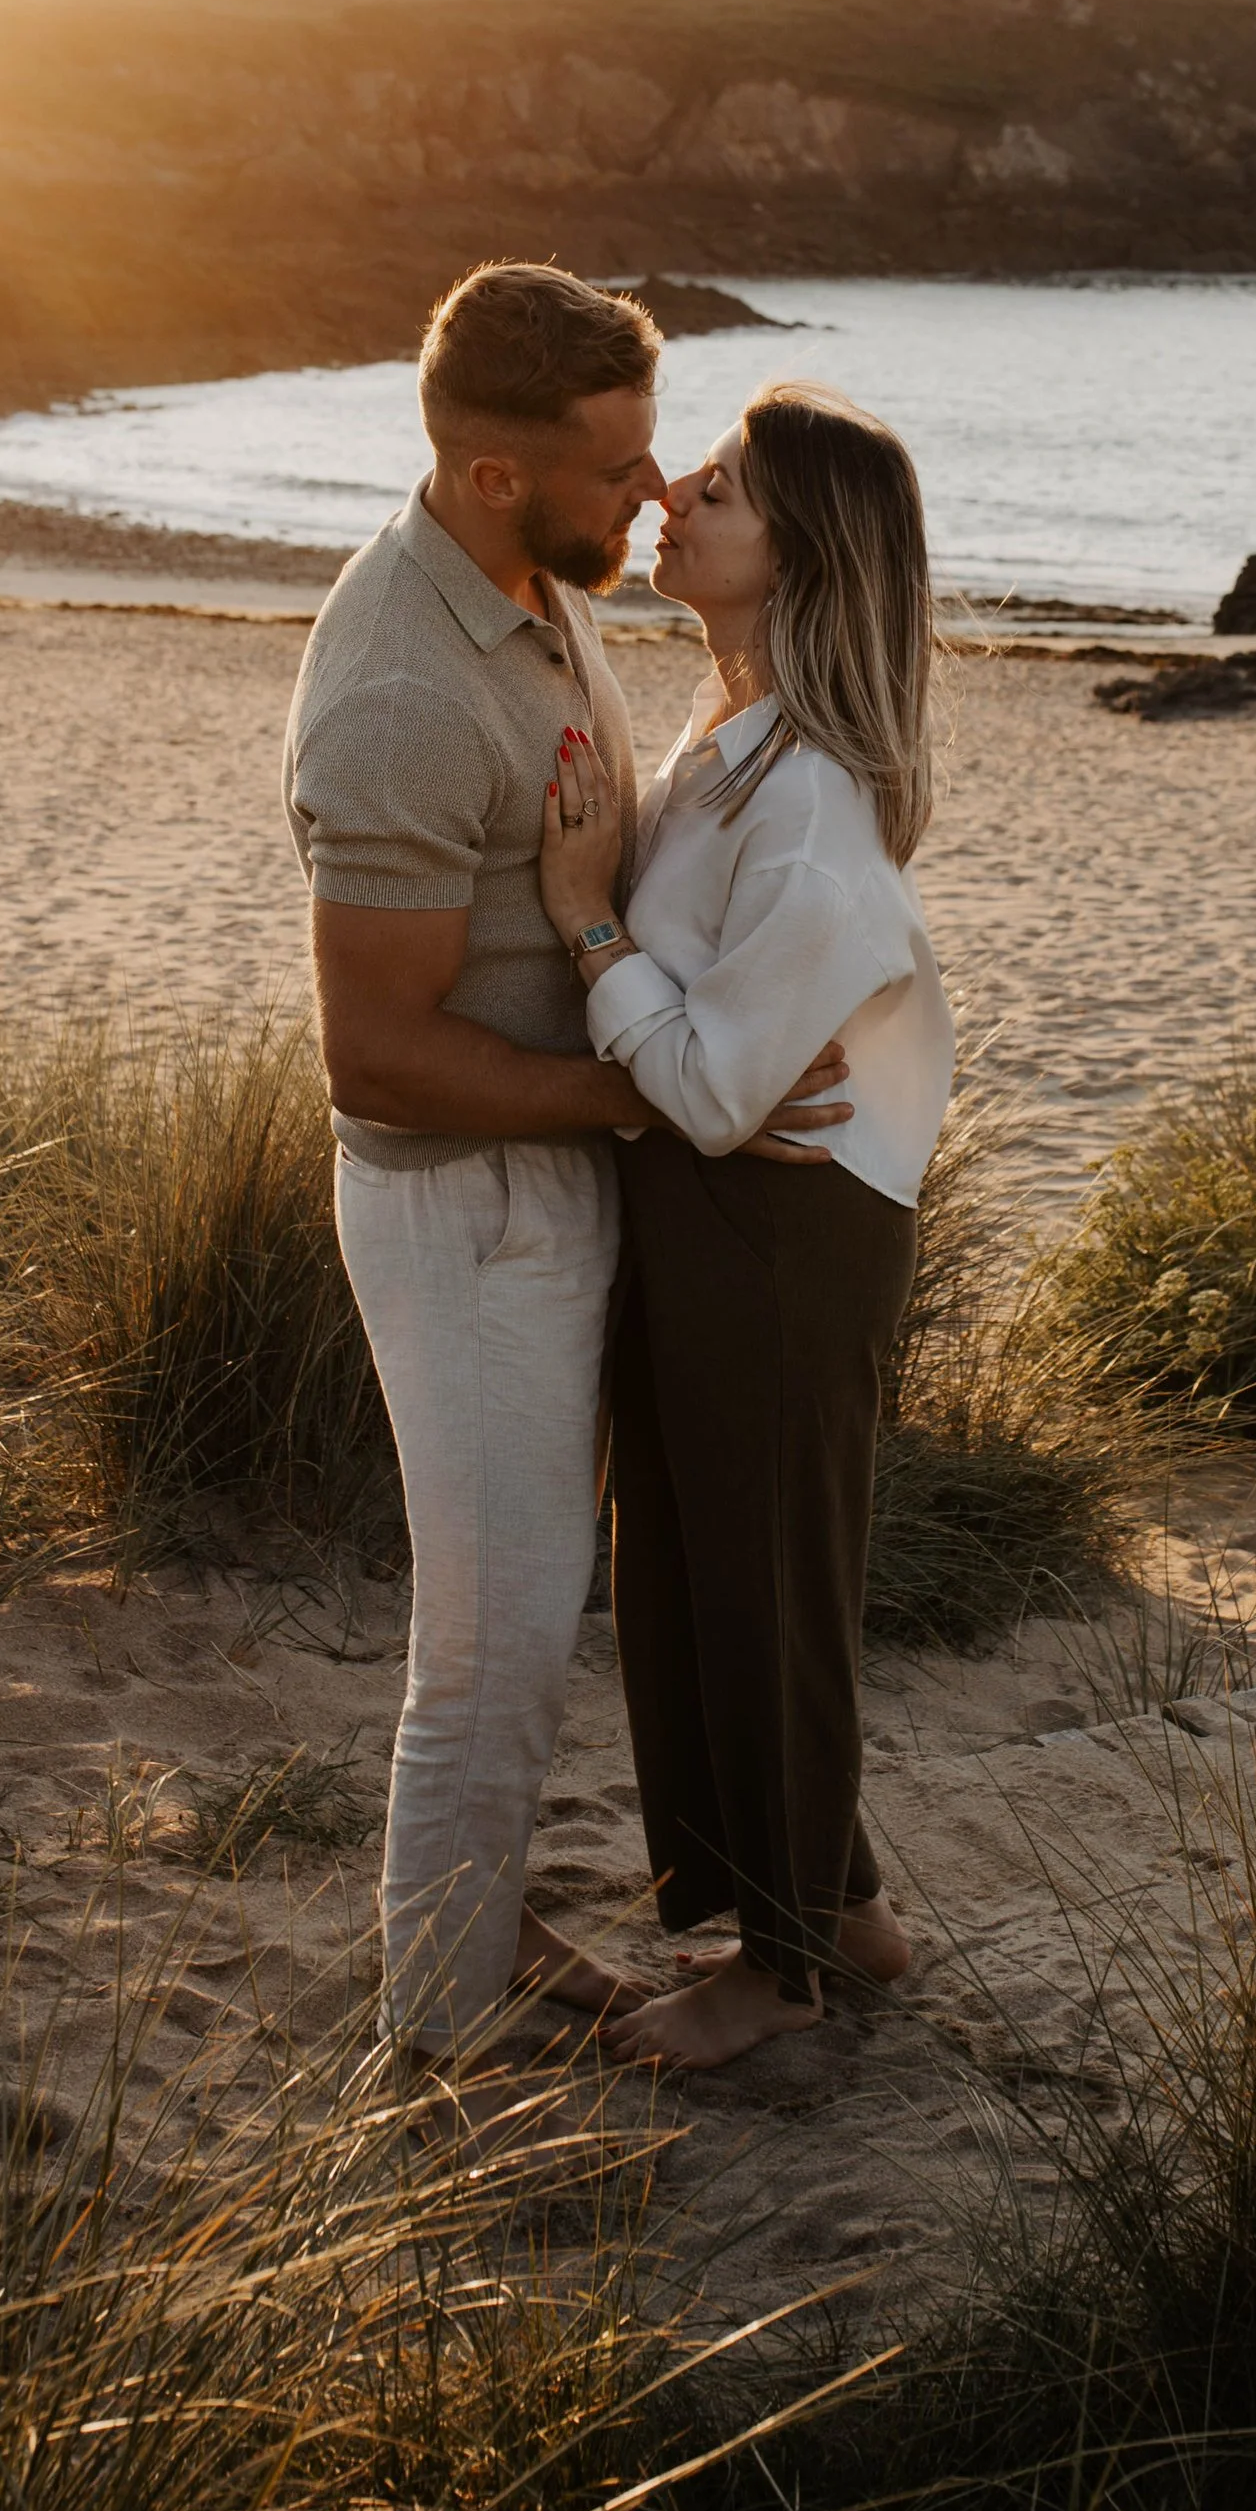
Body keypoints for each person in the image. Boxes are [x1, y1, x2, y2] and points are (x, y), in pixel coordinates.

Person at [284, 265, 849, 2076]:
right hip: (469, 1216)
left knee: (543, 1608)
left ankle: (480, 1916)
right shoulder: (396, 690)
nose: (654, 488)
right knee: (494, 1644)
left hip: (563, 1187)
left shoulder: (537, 587)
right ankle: (433, 2039)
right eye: (617, 466)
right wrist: (660, 1106)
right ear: (495, 473)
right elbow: (374, 1054)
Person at [537, 385, 956, 2070]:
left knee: (764, 1578)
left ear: (801, 555)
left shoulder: (816, 809)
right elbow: (709, 1065)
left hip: (785, 1230)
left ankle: (777, 1975)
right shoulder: (730, 740)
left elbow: (714, 1088)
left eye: (719, 487)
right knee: (705, 1566)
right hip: (720, 1215)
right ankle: (835, 1897)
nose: (674, 495)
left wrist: (583, 929)